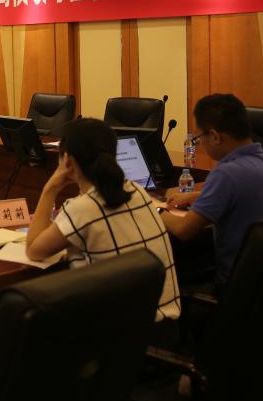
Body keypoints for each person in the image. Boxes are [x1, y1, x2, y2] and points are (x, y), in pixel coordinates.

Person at [25, 118, 181, 323]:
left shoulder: (82, 209)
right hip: (165, 326)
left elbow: (33, 250)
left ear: (67, 161)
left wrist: (50, 189)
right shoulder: (137, 191)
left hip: (117, 334)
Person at [160, 93, 263, 285]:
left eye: (199, 138)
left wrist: (153, 209)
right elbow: (247, 194)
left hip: (239, 287)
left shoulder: (226, 174)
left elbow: (184, 230)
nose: (200, 144)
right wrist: (196, 196)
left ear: (215, 136)